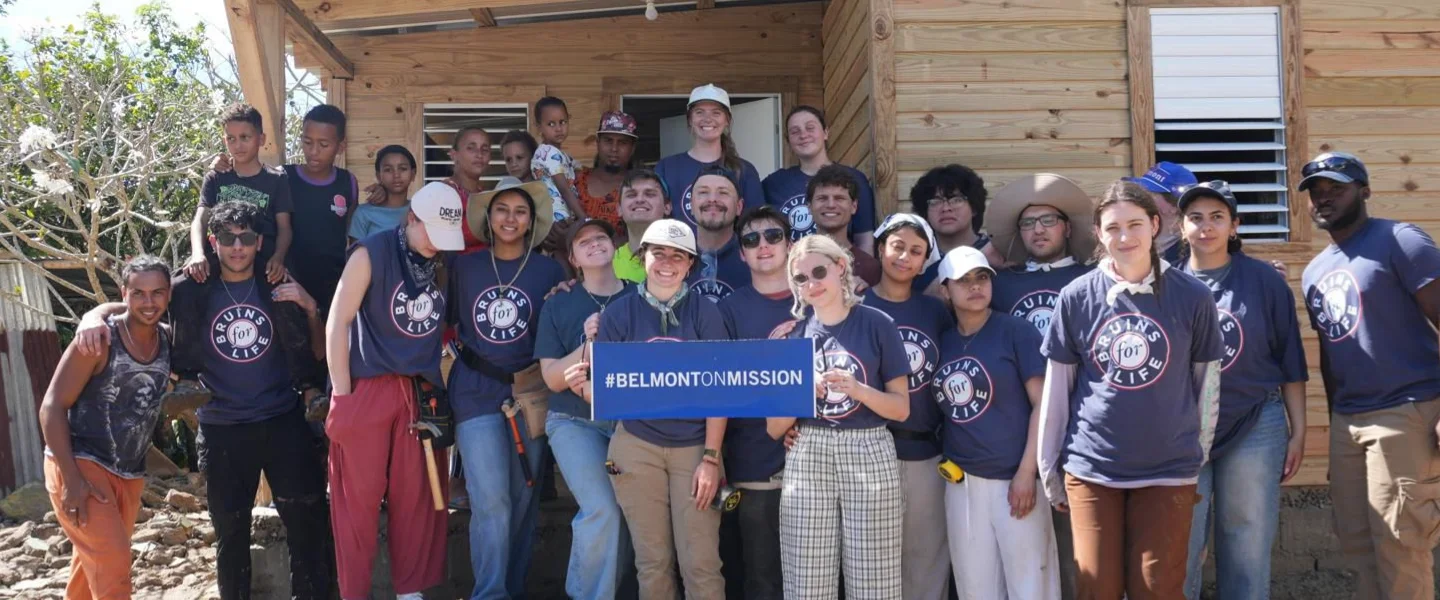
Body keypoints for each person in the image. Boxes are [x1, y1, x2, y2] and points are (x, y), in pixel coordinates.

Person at [1037, 180, 1225, 599]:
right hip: (1092, 468)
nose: (1125, 237)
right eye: (1113, 227)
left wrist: (1197, 454)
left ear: (1155, 225)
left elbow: (1205, 386)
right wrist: (1049, 468)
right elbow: (1058, 390)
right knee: (1096, 587)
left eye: (1135, 224)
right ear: (1099, 234)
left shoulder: (1193, 296)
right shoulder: (1076, 297)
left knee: (1157, 590)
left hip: (1168, 470)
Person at [1299, 152, 1440, 599]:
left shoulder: (1400, 241)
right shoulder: (1314, 271)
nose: (1324, 198)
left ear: (1365, 191)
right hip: (1349, 420)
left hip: (1407, 412)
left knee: (1401, 545)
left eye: (1335, 188)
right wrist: (1337, 416)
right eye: (1316, 192)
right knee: (1357, 543)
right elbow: (1331, 353)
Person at [567, 218, 730, 600]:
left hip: (695, 445)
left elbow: (721, 392)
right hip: (636, 444)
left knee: (701, 562)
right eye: (659, 253)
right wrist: (587, 391)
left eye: (679, 256)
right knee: (652, 562)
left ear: (690, 263)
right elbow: (610, 389)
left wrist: (711, 457)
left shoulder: (706, 313)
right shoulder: (620, 315)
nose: (668, 263)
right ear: (643, 257)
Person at [325, 181, 466, 600]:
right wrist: (341, 395)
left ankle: (412, 594)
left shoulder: (443, 262)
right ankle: (354, 594)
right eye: (431, 234)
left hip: (421, 392)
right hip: (367, 386)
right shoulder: (372, 251)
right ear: (411, 219)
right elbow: (338, 321)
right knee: (357, 504)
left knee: (420, 500)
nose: (436, 245)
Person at [1175, 180, 1309, 600]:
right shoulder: (1165, 283)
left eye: (1217, 217)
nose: (1206, 227)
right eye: (1195, 218)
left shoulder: (1264, 281)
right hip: (1182, 428)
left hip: (1255, 421)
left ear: (1235, 226)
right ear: (1181, 228)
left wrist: (1298, 429)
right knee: (1180, 542)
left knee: (1247, 540)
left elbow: (1289, 357)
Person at [767, 234, 911, 600]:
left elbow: (901, 408)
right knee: (806, 579)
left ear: (840, 268)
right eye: (800, 278)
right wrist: (801, 390)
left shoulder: (878, 324)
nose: (812, 284)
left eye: (819, 272)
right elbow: (773, 428)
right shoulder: (791, 336)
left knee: (875, 578)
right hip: (809, 448)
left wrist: (858, 389)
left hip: (869, 446)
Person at [980, 173, 1095, 599]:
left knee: (1080, 549)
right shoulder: (1000, 284)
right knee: (1026, 557)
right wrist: (991, 249)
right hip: (1018, 432)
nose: (1038, 230)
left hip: (1081, 427)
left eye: (1048, 220)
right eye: (1027, 224)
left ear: (1068, 227)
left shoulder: (1093, 278)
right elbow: (943, 291)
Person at [448, 179, 564, 599]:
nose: (510, 218)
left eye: (520, 211)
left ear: (531, 221)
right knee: (491, 498)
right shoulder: (463, 268)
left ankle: (511, 588)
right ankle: (490, 593)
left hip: (529, 394)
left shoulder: (551, 271)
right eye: (502, 210)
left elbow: (561, 327)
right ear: (488, 218)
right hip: (476, 390)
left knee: (523, 499)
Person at [38, 256, 171, 600]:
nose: (148, 302)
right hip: (80, 463)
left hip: (129, 473)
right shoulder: (99, 340)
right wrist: (71, 480)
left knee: (92, 567)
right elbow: (51, 407)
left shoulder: (169, 341)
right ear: (124, 293)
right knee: (113, 565)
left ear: (169, 295)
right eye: (138, 293)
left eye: (157, 293)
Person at [933, 246, 1060, 600]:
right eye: (963, 281)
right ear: (945, 289)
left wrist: (1026, 473)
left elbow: (1043, 405)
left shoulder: (1016, 331)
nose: (975, 287)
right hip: (962, 482)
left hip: (1015, 480)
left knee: (1030, 584)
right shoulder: (943, 340)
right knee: (976, 588)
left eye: (982, 278)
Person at [535, 217, 637, 600]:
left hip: (630, 423)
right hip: (574, 421)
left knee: (629, 514)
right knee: (603, 510)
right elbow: (552, 378)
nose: (594, 243)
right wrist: (591, 344)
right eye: (583, 242)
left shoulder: (640, 296)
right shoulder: (559, 303)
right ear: (573, 259)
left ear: (613, 247)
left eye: (600, 237)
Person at [169, 103, 295, 410]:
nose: (238, 145)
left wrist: (279, 257)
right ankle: (186, 379)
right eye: (231, 138)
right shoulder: (217, 177)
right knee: (181, 287)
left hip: (262, 257)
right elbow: (200, 219)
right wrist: (198, 253)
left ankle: (306, 385)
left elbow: (285, 228)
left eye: (245, 137)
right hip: (220, 256)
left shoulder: (276, 180)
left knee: (291, 301)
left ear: (261, 139)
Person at [862, 213, 951, 600]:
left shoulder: (935, 312)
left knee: (926, 557)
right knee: (871, 560)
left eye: (916, 251)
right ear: (881, 248)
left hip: (923, 452)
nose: (904, 257)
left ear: (924, 262)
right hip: (865, 449)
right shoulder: (855, 305)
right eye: (897, 246)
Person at [716, 206, 795, 600]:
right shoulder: (727, 311)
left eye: (773, 236)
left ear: (790, 245)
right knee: (762, 580)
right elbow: (721, 387)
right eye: (751, 239)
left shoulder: (820, 300)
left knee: (823, 578)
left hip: (821, 465)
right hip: (753, 464)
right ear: (742, 254)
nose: (763, 245)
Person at [762, 106, 876, 253]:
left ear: (825, 133)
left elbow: (865, 239)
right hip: (791, 272)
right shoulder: (774, 184)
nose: (803, 135)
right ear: (788, 141)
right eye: (795, 131)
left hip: (842, 269)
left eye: (810, 128)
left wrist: (861, 274)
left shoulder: (854, 179)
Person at [655, 84, 764, 228]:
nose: (707, 119)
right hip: (678, 251)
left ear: (727, 121)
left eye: (716, 113)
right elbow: (655, 221)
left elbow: (755, 225)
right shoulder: (666, 168)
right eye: (699, 112)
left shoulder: (744, 170)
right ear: (690, 120)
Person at [909, 164, 1004, 293]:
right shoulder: (916, 258)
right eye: (935, 201)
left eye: (956, 200)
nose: (946, 208)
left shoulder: (998, 252)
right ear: (925, 213)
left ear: (974, 208)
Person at [687, 166, 753, 302]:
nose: (712, 199)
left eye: (723, 193)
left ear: (739, 207)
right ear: (691, 206)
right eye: (703, 192)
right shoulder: (674, 258)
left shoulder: (755, 258)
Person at [808, 164, 882, 287]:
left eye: (839, 198)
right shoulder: (794, 260)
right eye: (822, 198)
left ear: (854, 206)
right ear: (809, 207)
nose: (831, 204)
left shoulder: (870, 268)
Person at [574, 111, 638, 230]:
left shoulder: (638, 188)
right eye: (608, 140)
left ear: (632, 148)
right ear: (598, 143)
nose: (614, 148)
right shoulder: (576, 180)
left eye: (622, 143)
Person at [1124, 162, 1196, 264]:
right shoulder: (1129, 246)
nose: (1138, 198)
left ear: (1174, 207)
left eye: (1149, 194)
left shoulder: (1194, 258)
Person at [613, 169, 671, 284]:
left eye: (650, 194)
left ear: (667, 207)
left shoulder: (683, 258)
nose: (639, 199)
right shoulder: (605, 262)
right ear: (619, 209)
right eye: (631, 195)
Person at [533, 96, 585, 221]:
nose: (558, 129)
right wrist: (584, 218)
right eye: (551, 124)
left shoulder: (562, 155)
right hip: (557, 220)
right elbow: (564, 188)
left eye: (562, 122)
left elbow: (580, 170)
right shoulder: (548, 152)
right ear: (539, 127)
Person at [351, 145, 416, 241]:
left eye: (402, 168)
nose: (396, 175)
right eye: (388, 170)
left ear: (413, 174)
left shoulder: (419, 211)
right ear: (378, 176)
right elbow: (355, 253)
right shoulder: (364, 213)